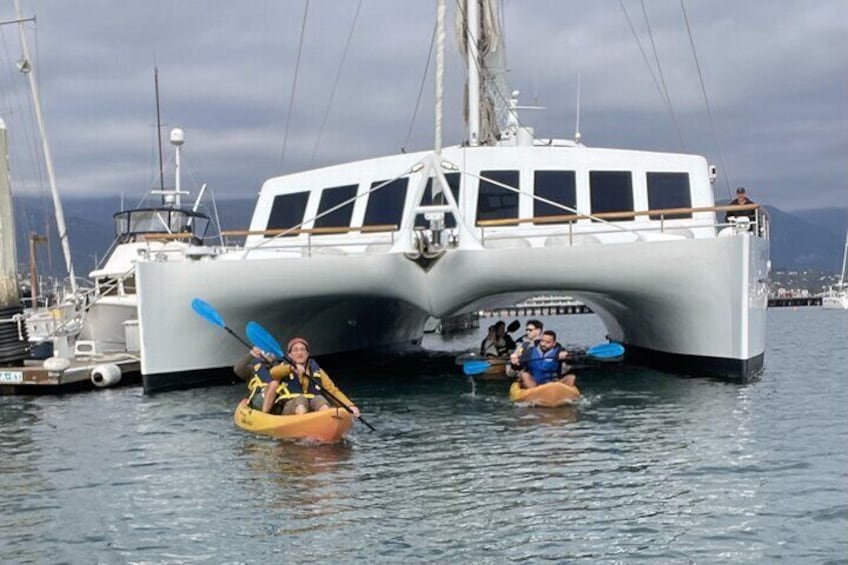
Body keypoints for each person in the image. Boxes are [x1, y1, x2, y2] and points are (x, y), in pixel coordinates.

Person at [268, 337, 361, 417]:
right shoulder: (284, 368)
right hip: (290, 406)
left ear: (307, 354)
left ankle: (325, 424)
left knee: (320, 399)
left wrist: (349, 405)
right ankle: (302, 428)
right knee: (301, 400)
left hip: (312, 404)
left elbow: (332, 391)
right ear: (290, 355)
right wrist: (291, 368)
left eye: (303, 350)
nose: (300, 353)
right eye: (295, 350)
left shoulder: (318, 371)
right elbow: (273, 373)